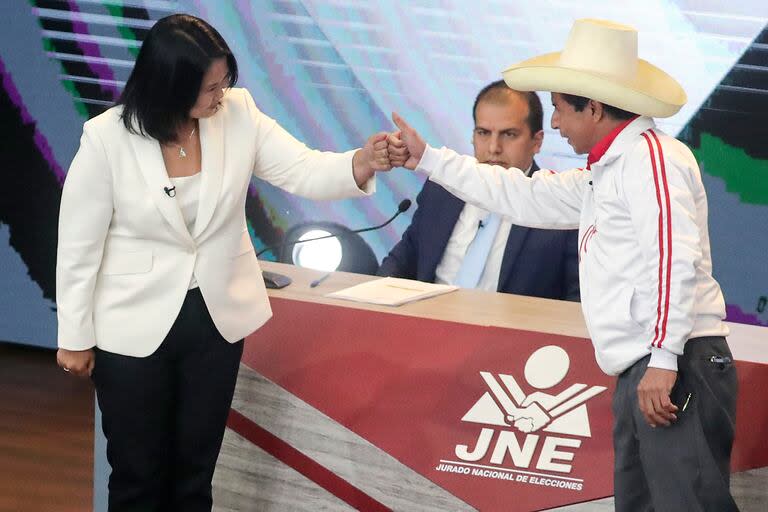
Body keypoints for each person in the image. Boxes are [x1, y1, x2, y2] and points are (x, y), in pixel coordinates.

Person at [55, 14, 401, 512]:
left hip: (214, 322)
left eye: (224, 83)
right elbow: (78, 243)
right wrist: (74, 335)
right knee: (137, 475)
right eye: (209, 88)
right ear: (169, 86)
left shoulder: (238, 113)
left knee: (195, 473)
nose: (221, 96)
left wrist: (363, 161)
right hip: (129, 326)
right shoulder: (107, 138)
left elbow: (303, 169)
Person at [389, 18, 738, 512]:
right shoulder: (607, 170)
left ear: (593, 107)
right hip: (645, 365)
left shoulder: (651, 159)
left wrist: (662, 358)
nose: (553, 124)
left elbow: (674, 259)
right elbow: (523, 195)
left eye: (558, 110)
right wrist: (428, 159)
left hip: (676, 362)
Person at [378, 81, 579, 301]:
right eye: (483, 133)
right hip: (430, 325)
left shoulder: (560, 206)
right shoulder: (442, 190)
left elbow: (576, 303)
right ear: (472, 136)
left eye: (509, 134)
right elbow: (403, 260)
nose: (493, 148)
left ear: (537, 141)